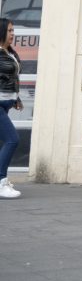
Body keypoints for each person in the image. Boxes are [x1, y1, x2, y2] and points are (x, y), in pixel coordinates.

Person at [0, 19, 23, 199]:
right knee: (12, 140)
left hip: (7, 102)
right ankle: (1, 182)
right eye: (9, 31)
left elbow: (12, 77)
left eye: (13, 30)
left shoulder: (9, 52)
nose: (12, 34)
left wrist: (17, 97)